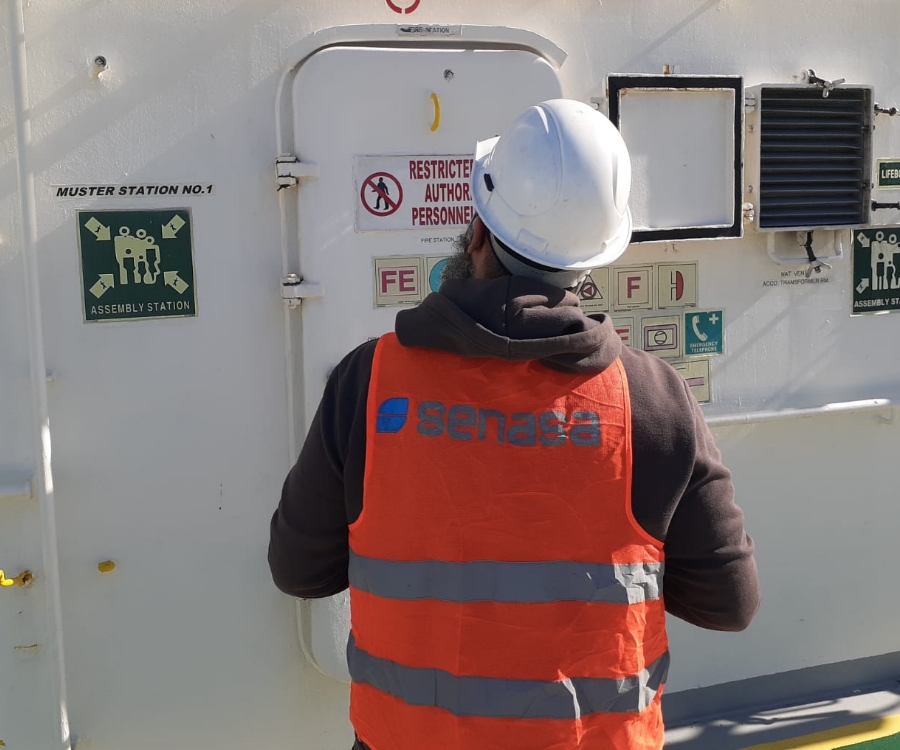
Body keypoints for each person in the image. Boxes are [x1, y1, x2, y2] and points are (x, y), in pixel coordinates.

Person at [269, 99, 759, 750]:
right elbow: (730, 604)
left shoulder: (368, 383)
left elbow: (298, 569)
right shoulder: (652, 400)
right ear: (592, 261)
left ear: (476, 235)